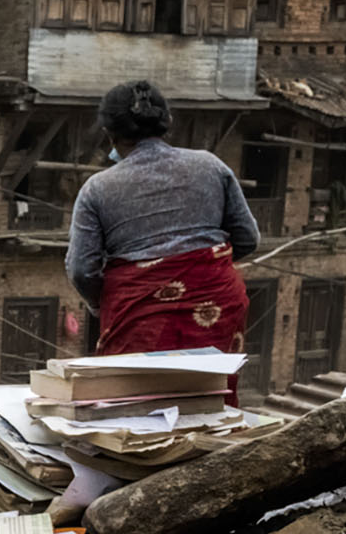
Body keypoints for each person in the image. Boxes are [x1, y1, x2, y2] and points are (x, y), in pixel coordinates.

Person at [68, 79, 258, 358]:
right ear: (168, 121)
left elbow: (82, 270)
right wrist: (204, 268)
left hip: (138, 316)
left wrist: (109, 299)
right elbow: (248, 238)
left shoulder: (96, 189)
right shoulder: (211, 166)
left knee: (138, 385)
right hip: (216, 306)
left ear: (108, 133)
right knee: (209, 383)